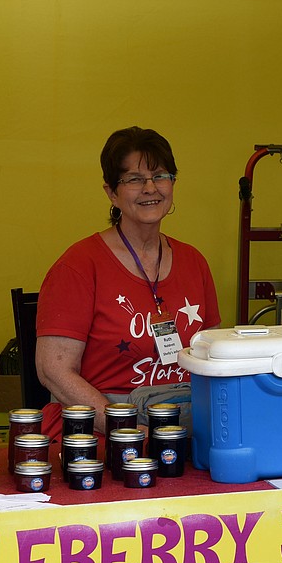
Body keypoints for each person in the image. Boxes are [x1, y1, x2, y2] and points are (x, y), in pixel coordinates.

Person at [35, 126, 220, 437]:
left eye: (160, 175)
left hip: (183, 427)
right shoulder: (78, 266)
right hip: (100, 431)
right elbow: (53, 371)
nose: (150, 188)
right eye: (134, 179)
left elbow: (214, 356)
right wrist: (127, 428)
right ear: (111, 192)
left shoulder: (194, 262)